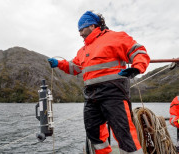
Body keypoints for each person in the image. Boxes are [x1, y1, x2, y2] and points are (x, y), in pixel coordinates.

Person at [48, 11, 150, 154]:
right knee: (93, 131)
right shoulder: (83, 51)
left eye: (82, 29)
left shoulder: (116, 37)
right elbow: (74, 67)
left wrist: (137, 67)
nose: (80, 33)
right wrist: (58, 63)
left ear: (92, 25)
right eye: (78, 30)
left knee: (123, 132)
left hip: (114, 92)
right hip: (91, 95)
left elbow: (138, 51)